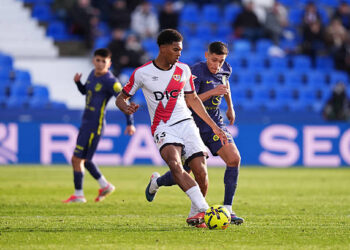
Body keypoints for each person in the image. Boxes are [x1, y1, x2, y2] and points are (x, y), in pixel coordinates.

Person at [116, 29, 228, 227]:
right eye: (176, 49)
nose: (179, 53)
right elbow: (121, 97)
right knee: (175, 166)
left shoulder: (183, 70)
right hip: (163, 126)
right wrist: (126, 107)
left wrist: (214, 127)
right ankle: (205, 210)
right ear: (163, 48)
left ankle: (195, 215)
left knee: (201, 172)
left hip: (186, 123)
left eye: (181, 50)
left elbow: (192, 99)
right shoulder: (142, 73)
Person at [146, 41, 244, 225]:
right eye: (214, 60)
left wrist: (230, 107)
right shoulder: (194, 71)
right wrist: (214, 92)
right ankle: (156, 182)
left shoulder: (225, 70)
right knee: (186, 172)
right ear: (207, 55)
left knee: (234, 159)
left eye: (221, 61)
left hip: (214, 124)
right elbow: (188, 100)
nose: (217, 65)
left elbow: (225, 84)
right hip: (191, 126)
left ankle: (227, 209)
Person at [63, 48, 136, 203]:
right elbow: (85, 92)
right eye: (98, 60)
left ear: (109, 64)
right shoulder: (91, 74)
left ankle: (80, 194)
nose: (100, 63)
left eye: (104, 61)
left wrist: (130, 123)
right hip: (86, 122)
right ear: (93, 60)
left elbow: (124, 101)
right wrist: (78, 83)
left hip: (95, 125)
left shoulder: (111, 81)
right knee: (82, 160)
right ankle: (102, 186)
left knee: (78, 159)